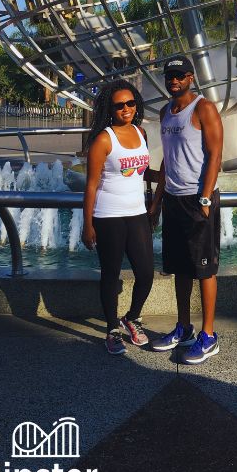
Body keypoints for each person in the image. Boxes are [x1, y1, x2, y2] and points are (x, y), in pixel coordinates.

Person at [146, 56, 224, 364]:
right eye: (169, 76)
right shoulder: (166, 111)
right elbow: (167, 160)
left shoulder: (204, 108)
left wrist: (205, 198)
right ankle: (183, 327)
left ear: (190, 77)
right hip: (174, 200)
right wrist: (156, 203)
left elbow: (216, 154)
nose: (173, 80)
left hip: (197, 200)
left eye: (179, 75)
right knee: (179, 267)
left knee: (204, 269)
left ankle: (208, 335)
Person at [81, 80, 155, 355]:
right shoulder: (103, 139)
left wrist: (162, 176)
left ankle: (131, 317)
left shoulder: (141, 133)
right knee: (110, 274)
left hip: (136, 213)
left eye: (130, 103)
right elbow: (91, 185)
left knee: (146, 272)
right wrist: (87, 224)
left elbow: (141, 170)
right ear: (110, 109)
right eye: (119, 105)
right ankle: (112, 328)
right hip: (108, 215)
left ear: (136, 105)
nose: (126, 109)